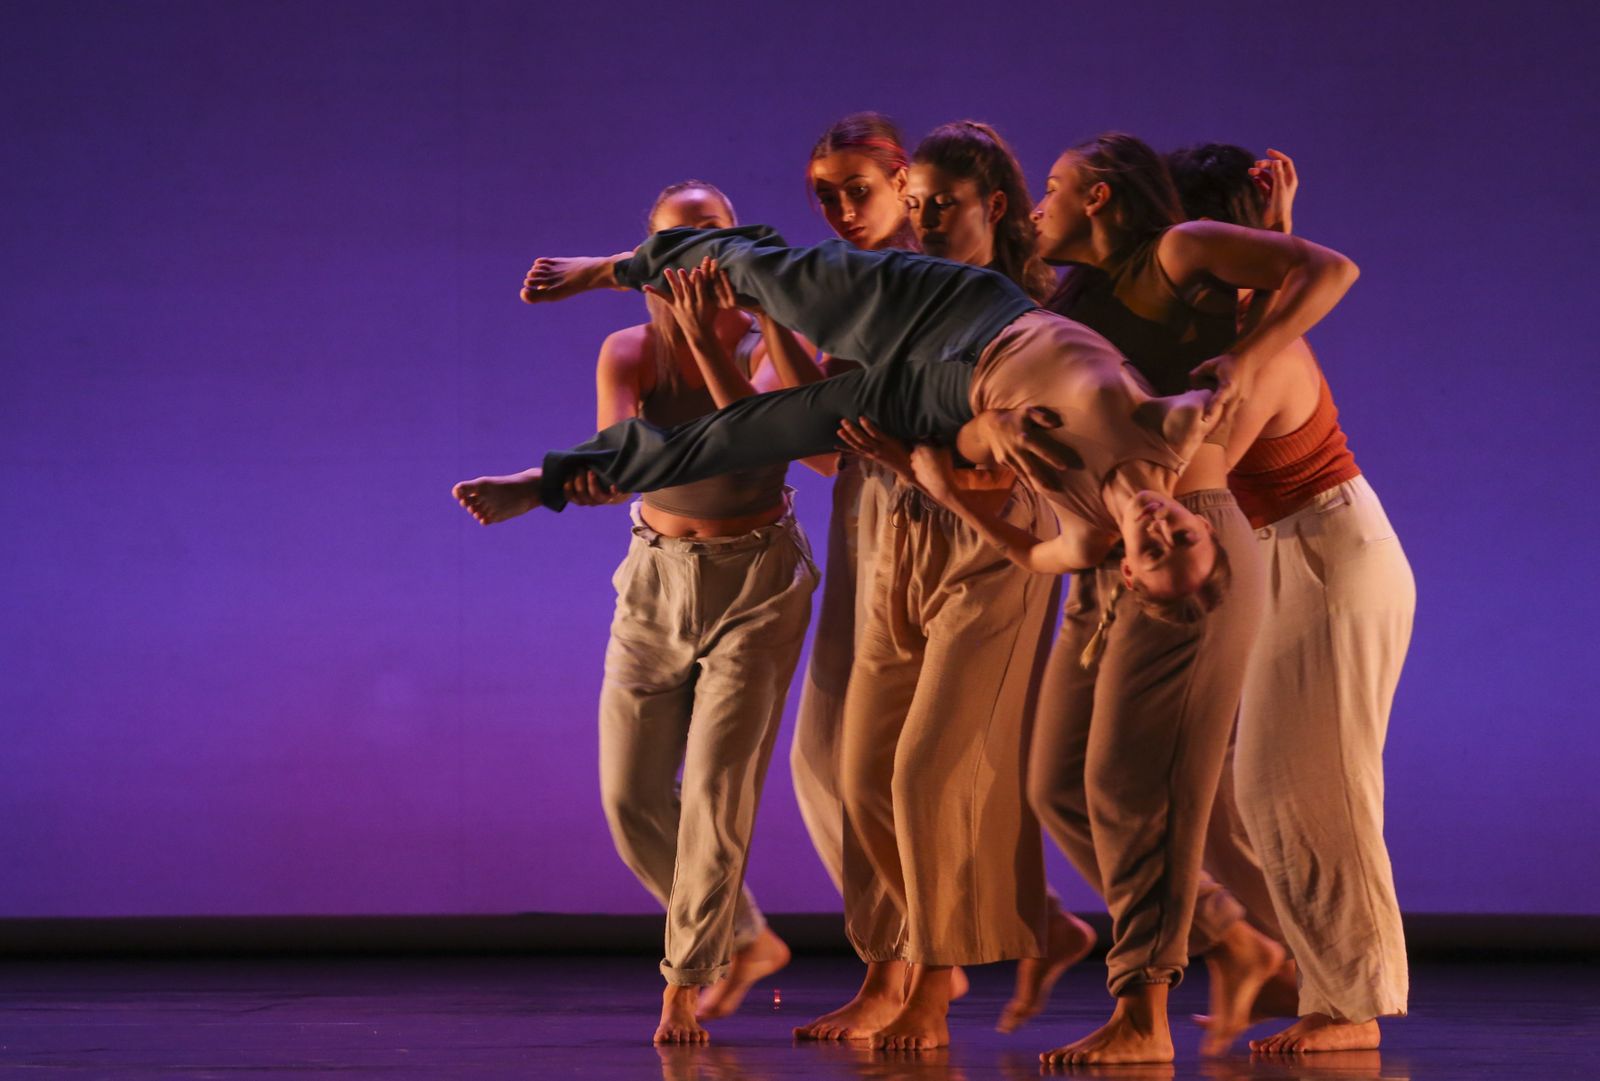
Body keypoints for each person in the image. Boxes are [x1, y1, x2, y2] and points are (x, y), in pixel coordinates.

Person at [912, 131, 1358, 1065]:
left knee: (1140, 782)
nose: (1041, 201)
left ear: (1104, 195)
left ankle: (1145, 1010)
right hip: (1099, 552)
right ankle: (1233, 941)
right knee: (1058, 784)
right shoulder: (1071, 299)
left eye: (1059, 184)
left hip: (1182, 530)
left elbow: (1326, 269)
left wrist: (1252, 346)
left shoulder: (1178, 249)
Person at [452, 220, 1247, 606]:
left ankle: (550, 479)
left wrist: (930, 477)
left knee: (738, 439)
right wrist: (1243, 350)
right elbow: (1250, 352)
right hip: (971, 316)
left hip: (939, 400)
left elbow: (1028, 556)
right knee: (782, 279)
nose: (1161, 525)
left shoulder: (1082, 540)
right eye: (1185, 533)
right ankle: (622, 266)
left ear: (1133, 569)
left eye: (1157, 548)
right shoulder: (1174, 434)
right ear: (1205, 524)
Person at [792, 120, 1071, 1051]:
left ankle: (930, 980)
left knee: (927, 772)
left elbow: (1017, 462)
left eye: (938, 204)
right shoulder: (895, 299)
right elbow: (824, 433)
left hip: (990, 545)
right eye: (915, 205)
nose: (922, 220)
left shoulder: (1030, 311)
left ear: (994, 206)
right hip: (894, 530)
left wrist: (921, 455)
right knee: (856, 768)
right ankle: (903, 954)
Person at [541, 181, 819, 1045]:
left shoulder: (779, 336)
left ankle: (685, 981)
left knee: (713, 791)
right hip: (656, 577)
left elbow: (766, 433)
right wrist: (585, 479)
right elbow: (620, 451)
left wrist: (707, 340)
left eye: (709, 236)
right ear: (648, 254)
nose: (693, 253)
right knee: (630, 800)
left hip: (757, 579)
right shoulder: (629, 346)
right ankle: (745, 936)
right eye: (674, 238)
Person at [1168, 142, 1414, 1054]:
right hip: (1295, 553)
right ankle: (1312, 970)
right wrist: (1276, 233)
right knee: (1258, 786)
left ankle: (1351, 1005)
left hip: (1327, 555)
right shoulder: (1248, 326)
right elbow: (1275, 284)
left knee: (1313, 786)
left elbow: (1195, 478)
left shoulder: (1253, 353)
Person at [787, 113, 914, 908]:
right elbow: (822, 446)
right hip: (859, 506)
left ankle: (907, 955)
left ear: (905, 184)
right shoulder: (837, 285)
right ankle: (901, 943)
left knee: (875, 759)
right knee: (826, 757)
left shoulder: (930, 283)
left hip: (923, 512)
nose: (840, 211)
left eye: (857, 191)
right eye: (825, 196)